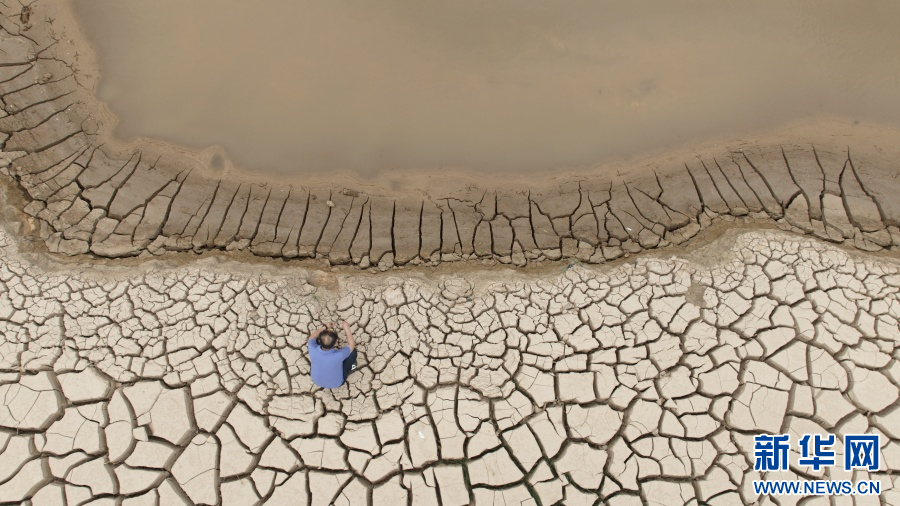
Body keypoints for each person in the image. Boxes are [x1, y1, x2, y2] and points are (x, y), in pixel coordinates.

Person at [308, 321, 358, 388]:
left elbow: (312, 337)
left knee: (315, 342)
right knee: (353, 353)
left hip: (316, 380)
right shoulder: (339, 355)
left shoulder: (312, 347)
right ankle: (352, 367)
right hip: (337, 383)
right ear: (336, 343)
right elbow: (351, 345)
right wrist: (347, 329)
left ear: (319, 341)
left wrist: (325, 327)